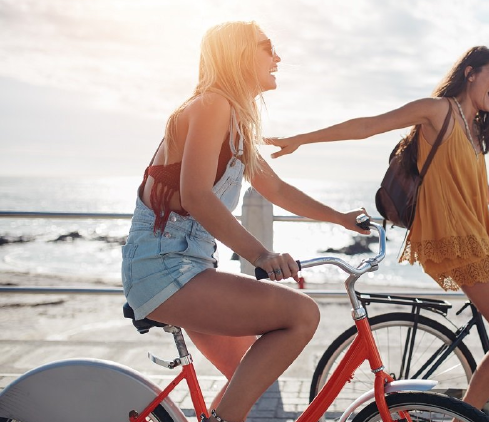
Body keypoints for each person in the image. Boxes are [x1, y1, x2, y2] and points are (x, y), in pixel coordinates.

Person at [268, 46, 489, 412]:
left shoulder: (474, 130)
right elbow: (367, 126)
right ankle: (473, 407)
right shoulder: (437, 111)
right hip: (457, 241)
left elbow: (480, 191)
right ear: (470, 73)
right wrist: (301, 139)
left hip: (482, 233)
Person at [121, 21, 368, 422]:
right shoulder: (212, 104)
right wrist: (262, 255)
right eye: (267, 47)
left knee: (247, 379)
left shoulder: (235, 120)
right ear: (238, 55)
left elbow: (279, 191)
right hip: (163, 268)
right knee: (302, 315)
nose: (278, 57)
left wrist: (341, 219)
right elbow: (197, 195)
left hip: (189, 266)